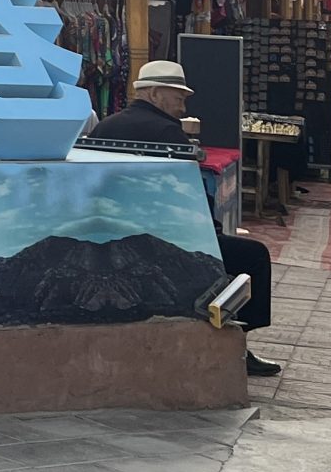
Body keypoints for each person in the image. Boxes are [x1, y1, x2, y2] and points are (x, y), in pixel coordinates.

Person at [87, 61, 280, 377]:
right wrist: (211, 232)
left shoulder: (106, 126)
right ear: (154, 93)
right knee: (253, 256)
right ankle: (236, 344)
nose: (183, 107)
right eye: (178, 97)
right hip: (161, 239)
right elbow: (188, 198)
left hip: (107, 234)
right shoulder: (167, 132)